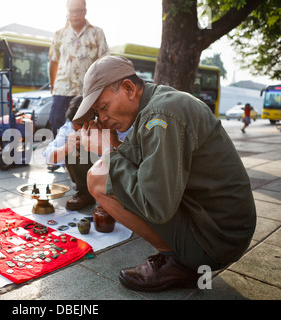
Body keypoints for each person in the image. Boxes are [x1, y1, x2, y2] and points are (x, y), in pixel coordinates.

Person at [73, 55, 256, 292]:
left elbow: (156, 206)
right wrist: (114, 145)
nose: (103, 119)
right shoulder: (157, 103)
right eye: (98, 113)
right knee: (104, 169)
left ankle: (179, 263)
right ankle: (180, 256)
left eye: (104, 107)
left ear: (128, 88)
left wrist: (107, 150)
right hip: (218, 228)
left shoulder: (161, 114)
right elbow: (146, 167)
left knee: (98, 177)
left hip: (216, 240)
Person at [48, 0, 109, 139]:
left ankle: (84, 159)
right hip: (62, 90)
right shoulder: (59, 34)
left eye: (79, 11)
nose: (75, 15)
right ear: (67, 12)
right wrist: (52, 86)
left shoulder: (97, 33)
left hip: (87, 91)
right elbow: (53, 61)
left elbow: (104, 62)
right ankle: (59, 158)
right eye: (71, 11)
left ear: (85, 11)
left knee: (87, 127)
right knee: (57, 123)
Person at [43, 96, 96, 210]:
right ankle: (85, 193)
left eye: (80, 129)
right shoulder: (69, 126)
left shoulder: (110, 122)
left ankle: (111, 195)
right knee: (72, 147)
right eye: (75, 129)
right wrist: (66, 148)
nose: (77, 132)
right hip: (91, 170)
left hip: (111, 172)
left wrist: (98, 146)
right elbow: (49, 156)